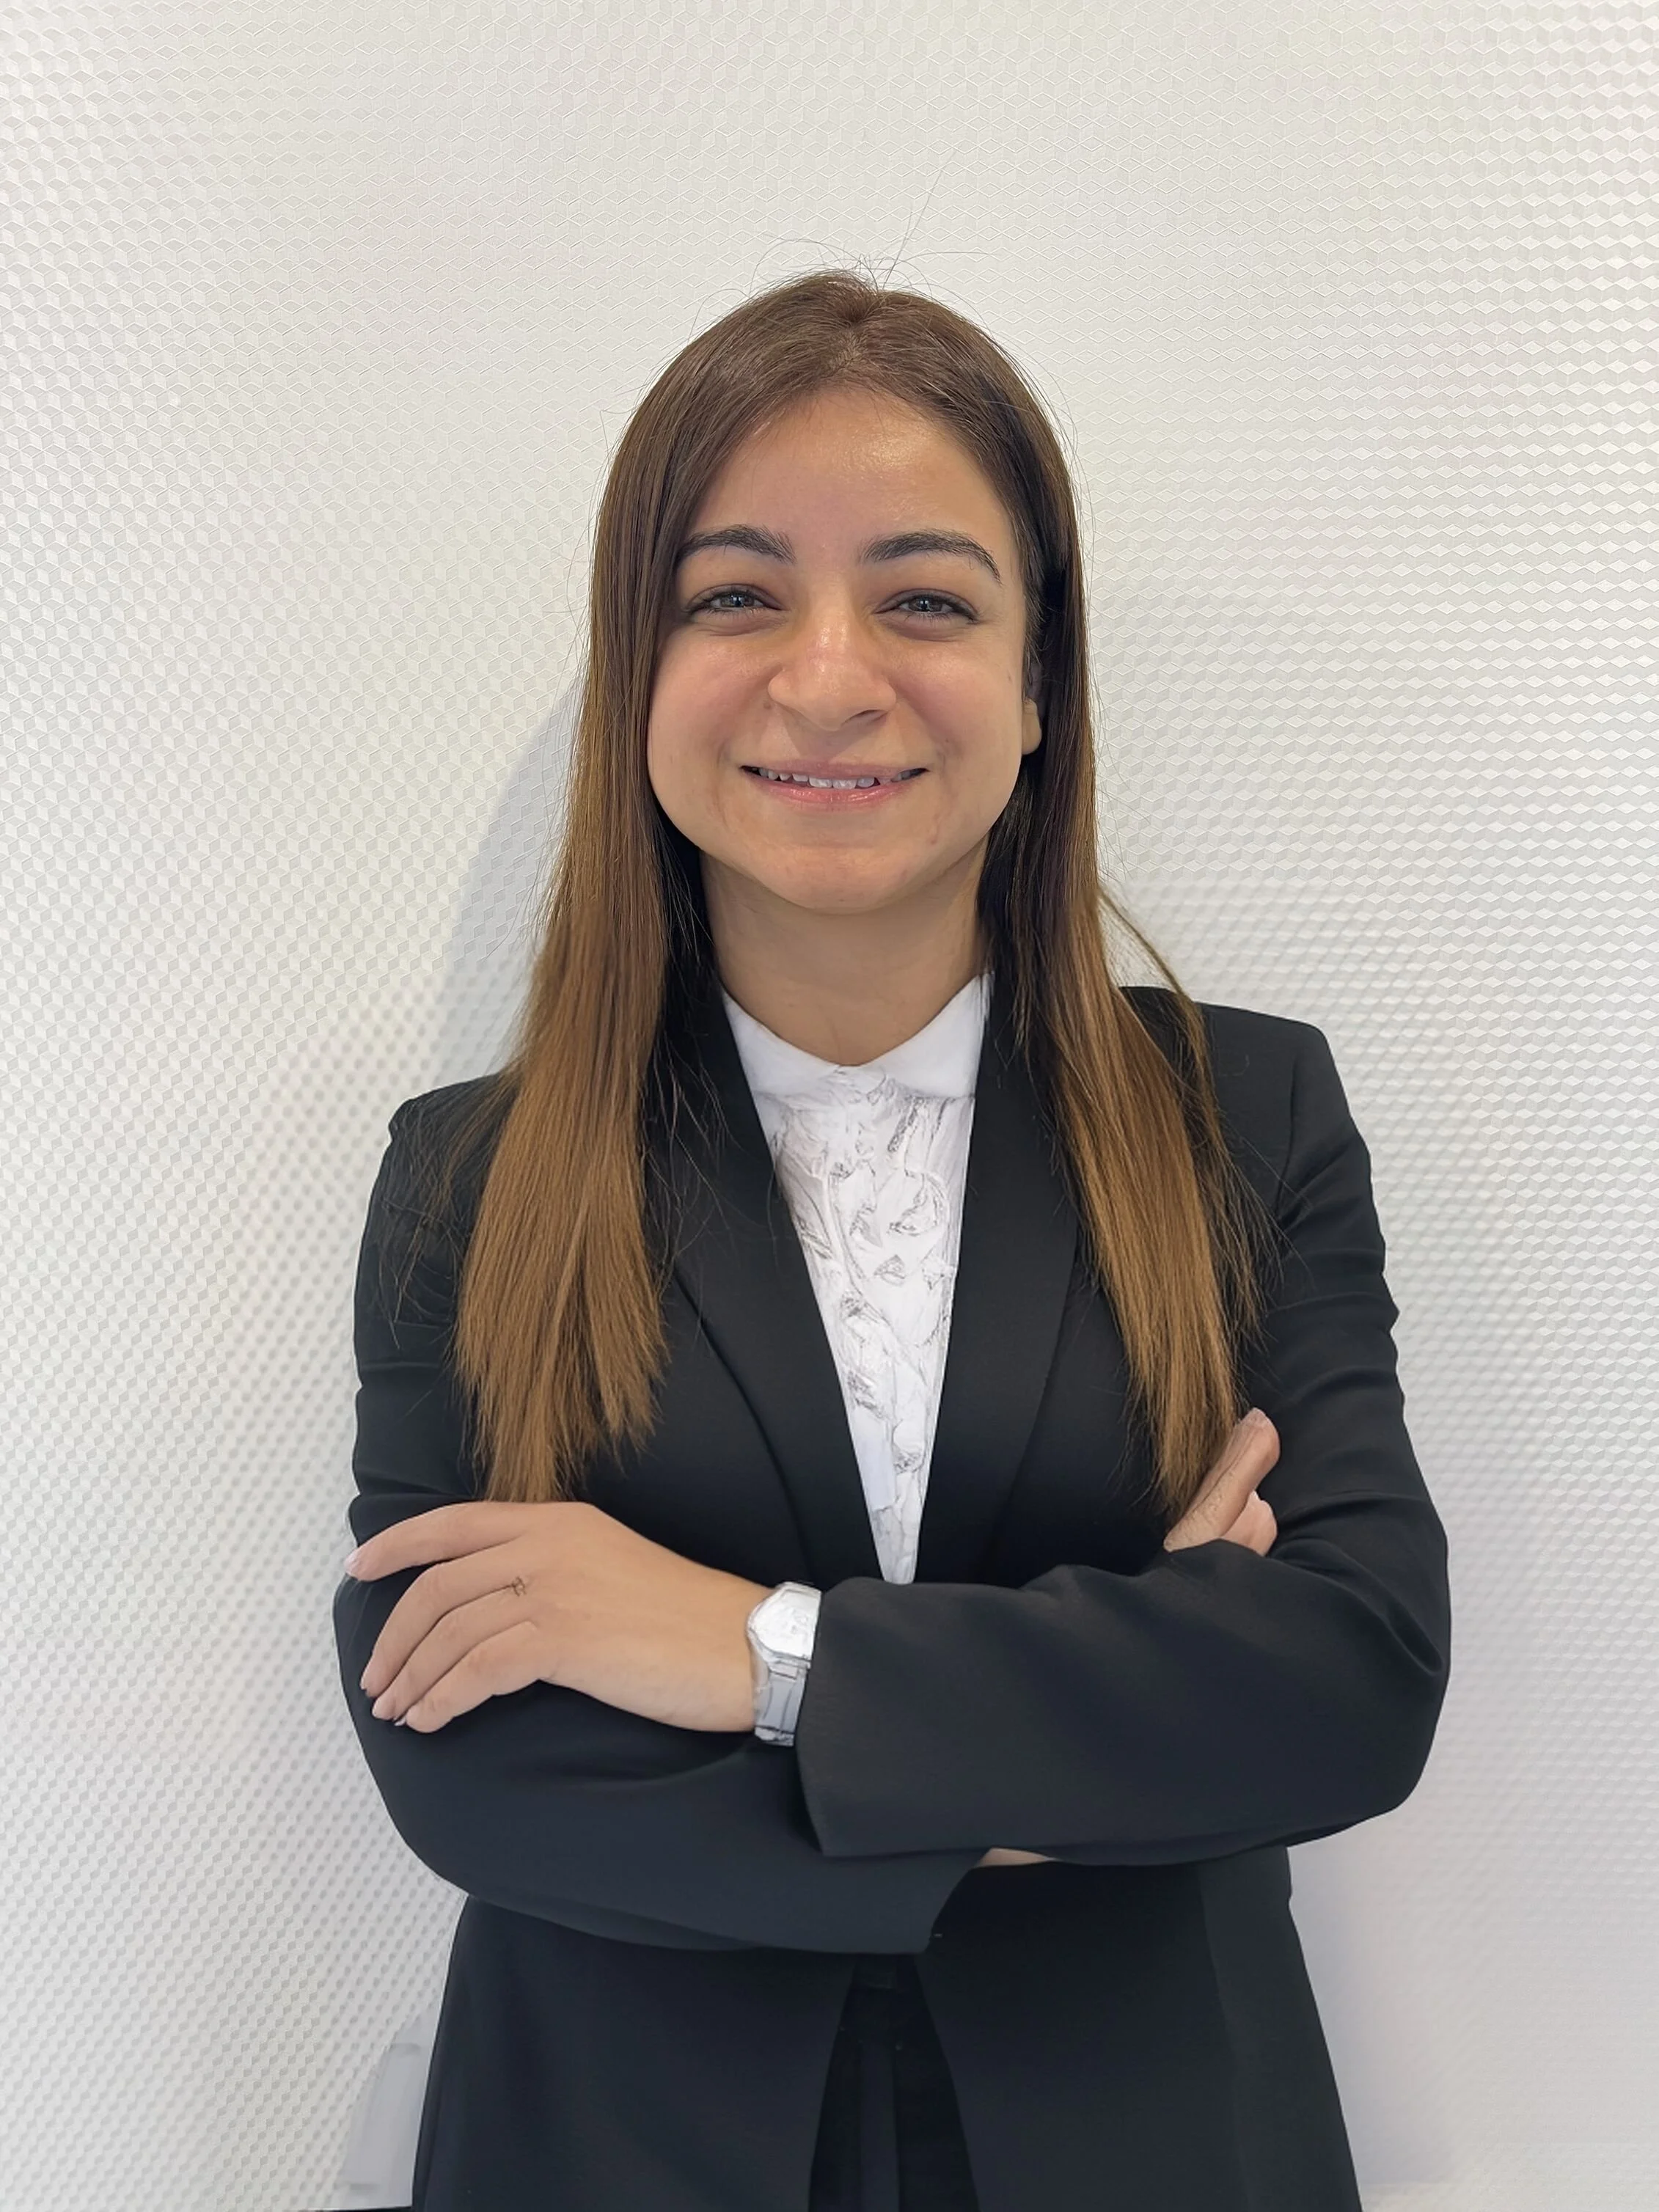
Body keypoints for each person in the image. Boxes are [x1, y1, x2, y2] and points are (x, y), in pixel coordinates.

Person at [333, 266, 1451, 2212]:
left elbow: (1345, 1676)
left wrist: (751, 1654)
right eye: (735, 595)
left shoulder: (1242, 1119)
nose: (830, 676)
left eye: (925, 599)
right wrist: (1097, 1758)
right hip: (616, 2152)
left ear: (1040, 686)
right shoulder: (471, 1179)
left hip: (1153, 2144)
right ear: (638, 669)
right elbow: (469, 1762)